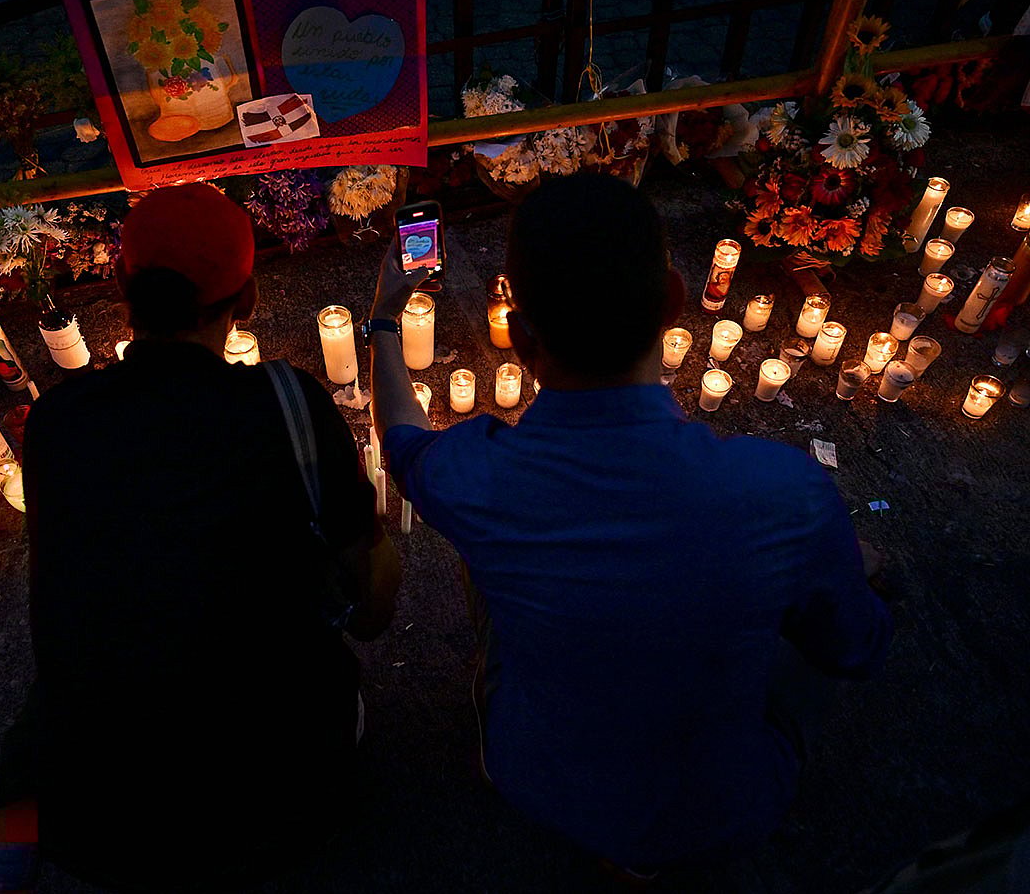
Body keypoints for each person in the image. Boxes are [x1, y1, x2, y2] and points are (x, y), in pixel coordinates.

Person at [369, 174, 893, 873]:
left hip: (537, 780)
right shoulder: (782, 494)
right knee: (853, 577)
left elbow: (401, 440)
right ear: (674, 301)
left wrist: (383, 318)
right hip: (722, 811)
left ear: (521, 337)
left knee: (484, 556)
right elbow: (855, 648)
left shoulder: (478, 478)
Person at [0, 183, 399, 892]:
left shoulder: (60, 421)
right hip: (285, 807)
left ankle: (22, 816)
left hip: (105, 829)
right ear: (247, 301)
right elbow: (371, 610)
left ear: (121, 290)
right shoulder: (286, 402)